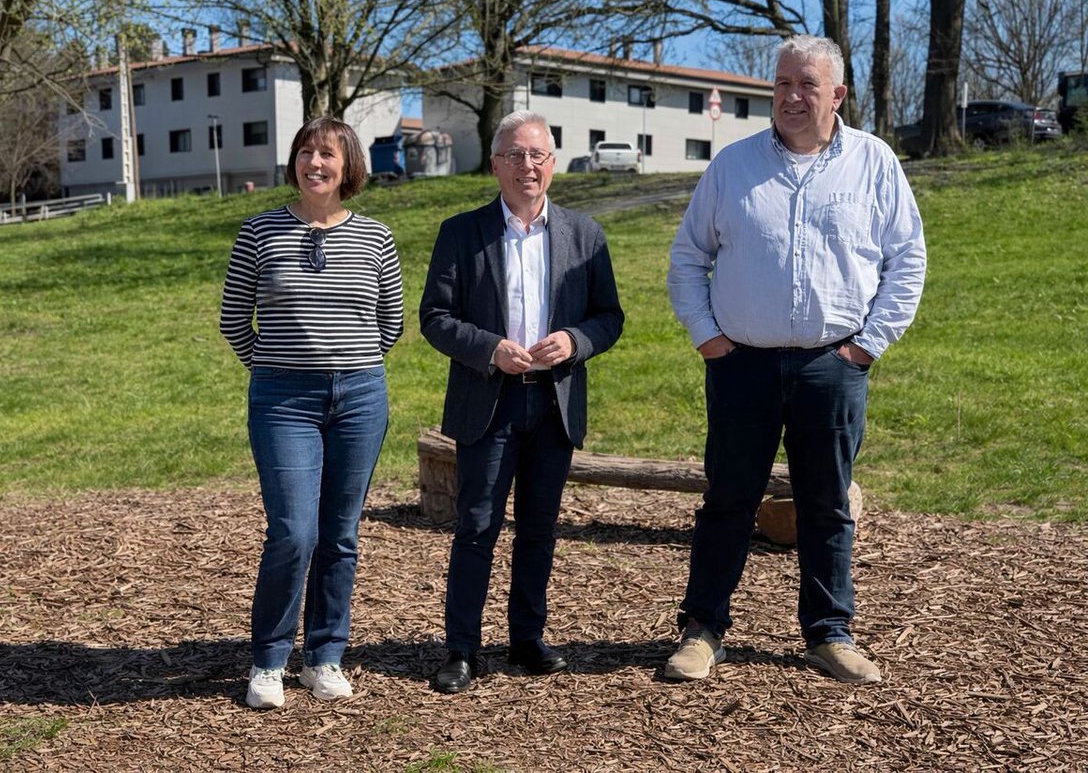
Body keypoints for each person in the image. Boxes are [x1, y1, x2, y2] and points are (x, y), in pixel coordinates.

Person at [665, 35, 926, 685]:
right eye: (782, 84)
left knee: (826, 503)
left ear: (838, 94)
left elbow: (907, 259)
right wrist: (708, 337)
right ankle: (702, 630)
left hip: (831, 367)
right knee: (727, 500)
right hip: (741, 365)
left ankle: (829, 633)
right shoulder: (733, 166)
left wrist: (867, 345)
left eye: (807, 85)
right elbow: (687, 258)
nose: (791, 96)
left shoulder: (873, 163)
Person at [419, 110, 624, 694]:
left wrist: (576, 342)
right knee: (477, 526)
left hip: (554, 405)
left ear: (552, 164)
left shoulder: (585, 235)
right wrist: (489, 349)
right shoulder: (462, 232)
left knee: (539, 527)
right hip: (490, 401)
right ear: (495, 164)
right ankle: (461, 648)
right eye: (514, 154)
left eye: (537, 154)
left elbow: (609, 317)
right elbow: (434, 318)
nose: (526, 165)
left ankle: (526, 638)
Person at [220, 116, 404, 708]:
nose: (313, 163)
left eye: (326, 153)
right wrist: (274, 367)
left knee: (340, 535)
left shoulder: (377, 239)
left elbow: (391, 325)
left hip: (360, 398)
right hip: (283, 402)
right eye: (304, 152)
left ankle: (325, 656)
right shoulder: (260, 233)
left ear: (348, 165)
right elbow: (232, 321)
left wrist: (351, 365)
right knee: (294, 532)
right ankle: (269, 661)